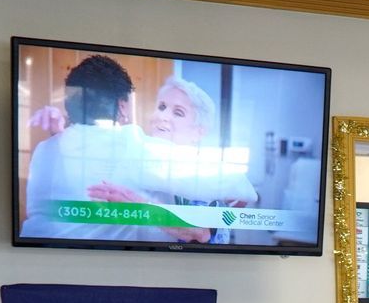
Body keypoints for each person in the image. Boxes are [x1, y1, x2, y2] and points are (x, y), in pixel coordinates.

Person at [21, 60, 254, 243]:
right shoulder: (139, 150)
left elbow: (207, 229)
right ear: (122, 105)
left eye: (178, 113)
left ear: (199, 131)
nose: (163, 116)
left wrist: (140, 207)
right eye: (161, 107)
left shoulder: (46, 150)